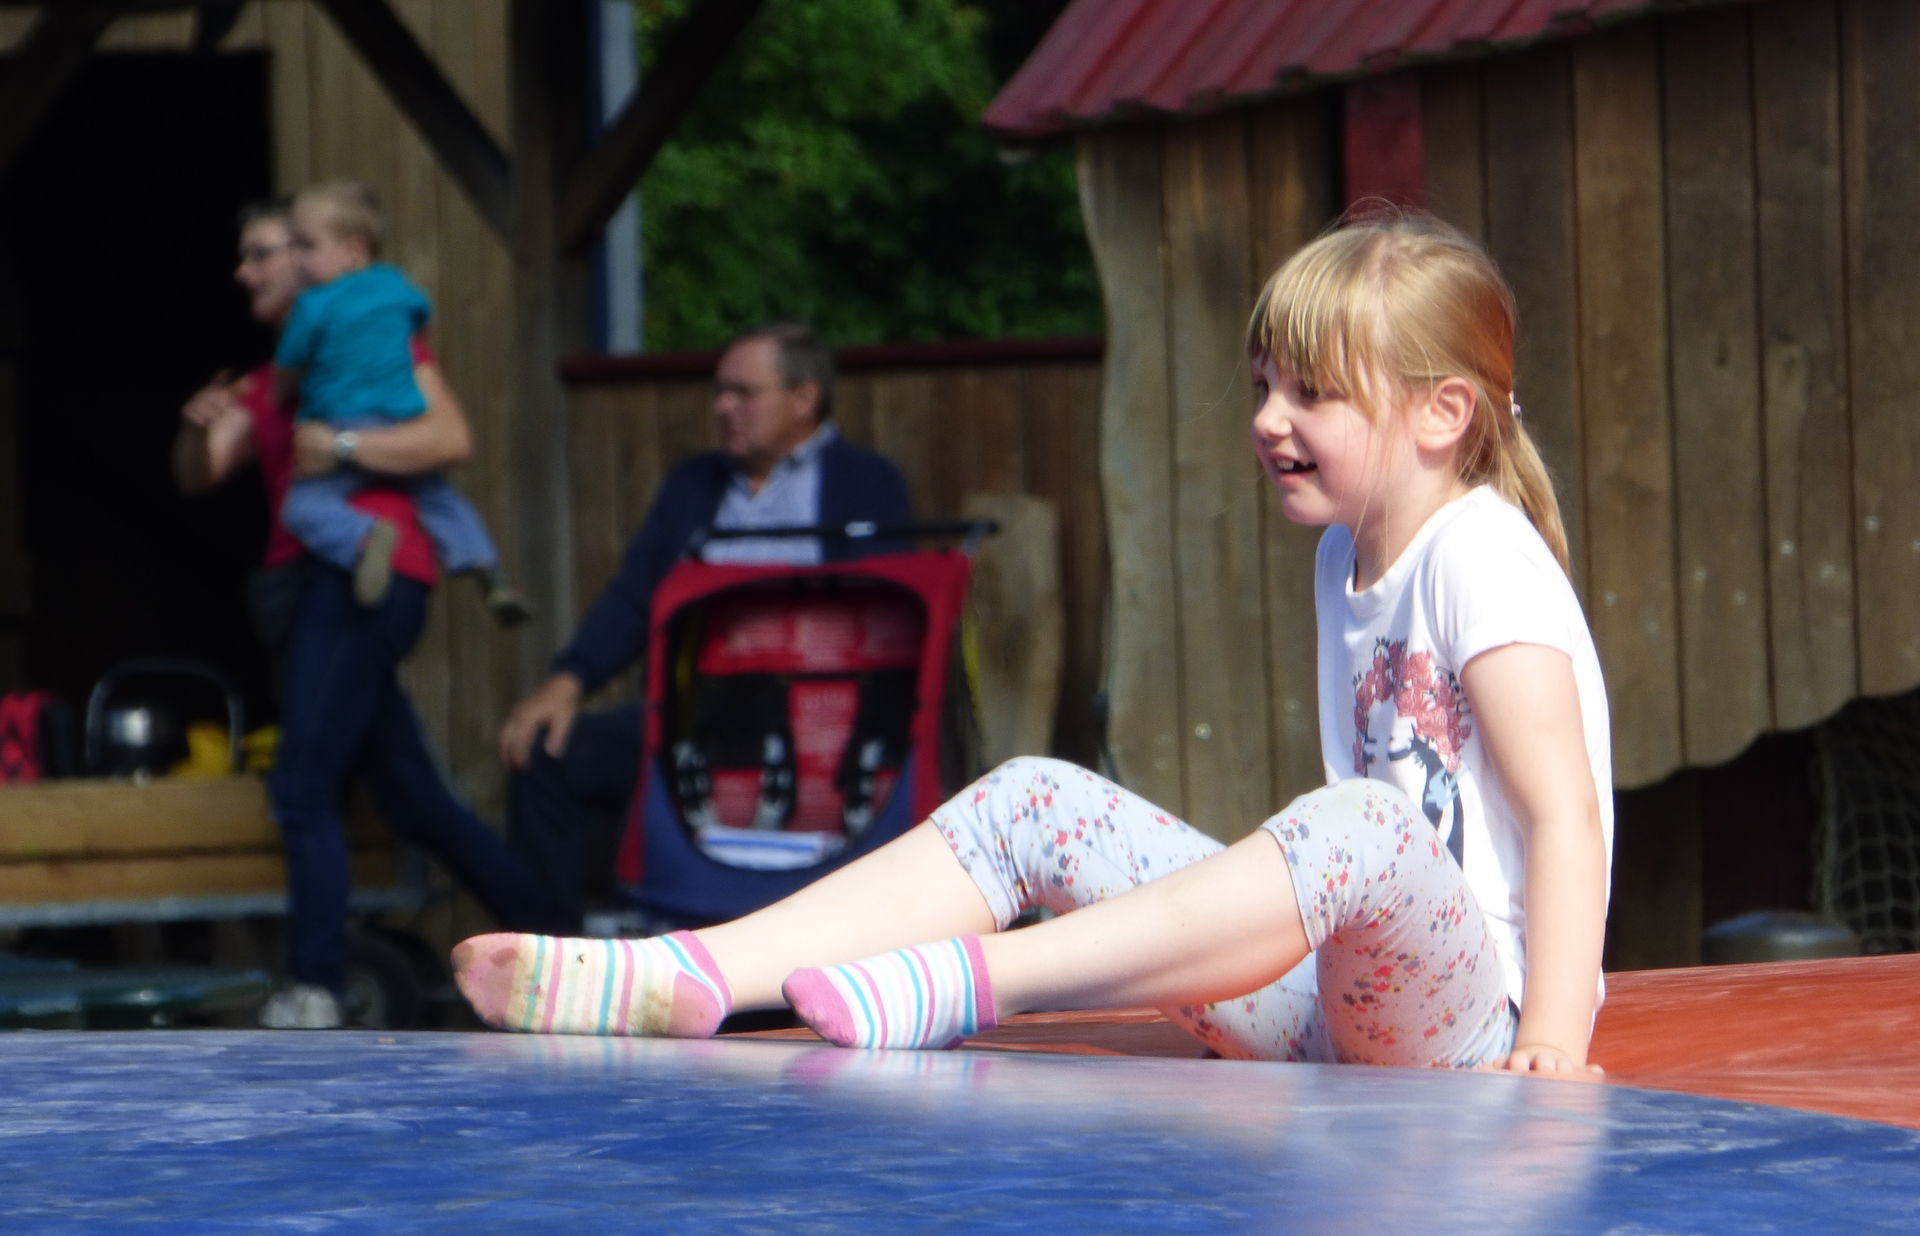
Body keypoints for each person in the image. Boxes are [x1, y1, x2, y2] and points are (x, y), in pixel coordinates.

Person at [455, 212, 1613, 1073]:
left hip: (1474, 1026)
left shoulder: (1480, 552)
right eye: (1263, 385)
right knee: (1030, 799)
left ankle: (968, 981)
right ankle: (698, 970)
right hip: (1333, 1015)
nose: (1268, 419)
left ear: (1442, 412)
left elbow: (1565, 816)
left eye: (1311, 394)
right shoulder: (1341, 556)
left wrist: (1553, 1041)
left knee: (1364, 823)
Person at [174, 199, 566, 1029]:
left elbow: (449, 438)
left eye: (267, 252)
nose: (248, 270)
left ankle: (317, 983)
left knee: (302, 785)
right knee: (416, 803)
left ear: (314, 262)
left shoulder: (381, 342)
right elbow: (199, 472)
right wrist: (193, 424)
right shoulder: (270, 380)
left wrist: (344, 448)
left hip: (354, 577)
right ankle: (567, 942)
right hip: (306, 592)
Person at [499, 322, 914, 933]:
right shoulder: (694, 483)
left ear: (804, 397)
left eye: (744, 393)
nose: (723, 407)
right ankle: (554, 958)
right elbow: (637, 594)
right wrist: (569, 679)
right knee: (544, 754)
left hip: (820, 728)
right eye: (720, 391)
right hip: (688, 723)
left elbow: (888, 623)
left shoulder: (867, 483)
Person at [274, 179, 527, 622]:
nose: (295, 256)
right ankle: (488, 569)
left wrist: (281, 390)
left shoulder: (313, 305)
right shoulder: (394, 285)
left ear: (353, 251)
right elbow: (421, 312)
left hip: (343, 423)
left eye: (306, 245)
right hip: (400, 419)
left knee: (302, 507)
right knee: (440, 498)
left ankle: (364, 537)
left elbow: (289, 363)